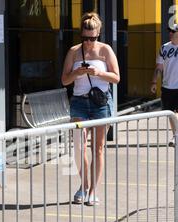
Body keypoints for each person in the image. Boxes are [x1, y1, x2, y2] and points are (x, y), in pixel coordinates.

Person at [61, 12, 120, 206]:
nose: (88, 42)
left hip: (100, 103)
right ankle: (84, 185)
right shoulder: (73, 51)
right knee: (78, 148)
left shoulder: (105, 50)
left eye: (92, 38)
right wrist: (77, 72)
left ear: (98, 34)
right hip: (79, 102)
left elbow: (116, 78)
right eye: (85, 38)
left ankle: (93, 190)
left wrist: (99, 73)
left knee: (98, 149)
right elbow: (64, 80)